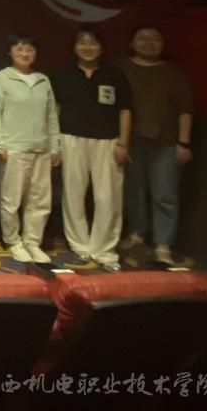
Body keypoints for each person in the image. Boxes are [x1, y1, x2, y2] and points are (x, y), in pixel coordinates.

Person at [52, 26, 133, 271]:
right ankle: (80, 246)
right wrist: (55, 143)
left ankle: (105, 250)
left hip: (108, 142)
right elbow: (54, 110)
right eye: (82, 43)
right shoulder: (62, 74)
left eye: (93, 43)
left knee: (107, 197)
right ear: (74, 47)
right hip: (71, 139)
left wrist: (123, 142)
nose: (87, 48)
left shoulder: (114, 74)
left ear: (101, 47)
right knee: (73, 194)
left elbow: (125, 110)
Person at [119, 25, 194, 265]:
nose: (149, 43)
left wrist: (184, 142)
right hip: (131, 142)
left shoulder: (171, 72)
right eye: (143, 38)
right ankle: (137, 233)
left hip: (166, 144)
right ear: (132, 43)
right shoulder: (121, 69)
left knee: (164, 194)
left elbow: (185, 110)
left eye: (155, 39)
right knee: (133, 191)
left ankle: (163, 244)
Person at [0, 33, 60, 263]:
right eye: (19, 49)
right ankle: (13, 241)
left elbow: (51, 116)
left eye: (30, 49)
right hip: (12, 147)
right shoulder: (1, 78)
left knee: (40, 200)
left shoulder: (43, 80)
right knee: (11, 199)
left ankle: (33, 242)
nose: (25, 53)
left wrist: (55, 146)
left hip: (42, 148)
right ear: (10, 52)